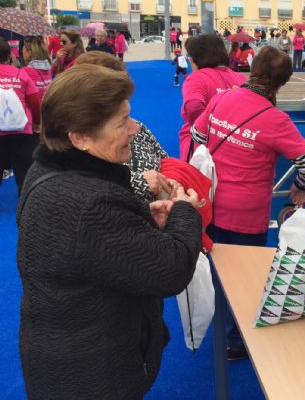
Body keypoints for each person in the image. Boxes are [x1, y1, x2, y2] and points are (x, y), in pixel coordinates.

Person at [17, 64, 203, 399]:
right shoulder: (92, 203)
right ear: (80, 137)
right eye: (122, 122)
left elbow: (77, 244)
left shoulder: (45, 169)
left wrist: (139, 217)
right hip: (92, 372)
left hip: (61, 355)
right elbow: (171, 271)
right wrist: (185, 212)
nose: (134, 128)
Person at [190, 45, 305, 360]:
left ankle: (221, 322)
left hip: (213, 200)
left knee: (219, 264)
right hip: (248, 211)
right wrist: (299, 188)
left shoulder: (222, 97)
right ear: (282, 82)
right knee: (248, 275)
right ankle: (237, 340)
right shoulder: (274, 118)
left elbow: (197, 134)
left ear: (252, 67)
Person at [75, 51, 172, 202]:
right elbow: (81, 189)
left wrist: (174, 181)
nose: (134, 128)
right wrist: (138, 182)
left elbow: (166, 161)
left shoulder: (138, 127)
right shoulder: (74, 144)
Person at [179, 34, 246, 161]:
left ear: (196, 58)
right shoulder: (240, 78)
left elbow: (193, 107)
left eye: (189, 56)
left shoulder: (197, 78)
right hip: (236, 143)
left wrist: (208, 133)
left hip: (202, 149)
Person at [0, 38, 40, 193]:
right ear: (9, 55)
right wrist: (36, 122)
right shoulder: (21, 74)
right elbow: (35, 101)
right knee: (24, 175)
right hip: (22, 129)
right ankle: (25, 211)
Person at [21, 35, 52, 134]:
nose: (22, 52)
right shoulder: (48, 68)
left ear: (29, 52)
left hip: (34, 117)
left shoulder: (25, 71)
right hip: (48, 113)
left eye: (23, 49)